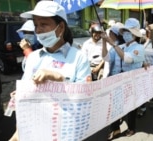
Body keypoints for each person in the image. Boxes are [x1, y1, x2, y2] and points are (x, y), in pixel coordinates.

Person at [8, 1, 91, 141]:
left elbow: (86, 101)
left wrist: (60, 79)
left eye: (44, 24)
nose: (38, 30)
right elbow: (25, 101)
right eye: (36, 25)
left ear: (61, 27)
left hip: (66, 133)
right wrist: (18, 132)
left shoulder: (79, 57)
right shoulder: (33, 58)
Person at [102, 18, 145, 139]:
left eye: (129, 32)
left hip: (131, 83)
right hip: (116, 82)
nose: (126, 34)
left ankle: (132, 127)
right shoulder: (119, 46)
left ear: (135, 34)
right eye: (125, 31)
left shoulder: (139, 48)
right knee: (114, 106)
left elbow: (127, 59)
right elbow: (106, 58)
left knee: (131, 107)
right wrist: (104, 41)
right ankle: (115, 129)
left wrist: (112, 43)